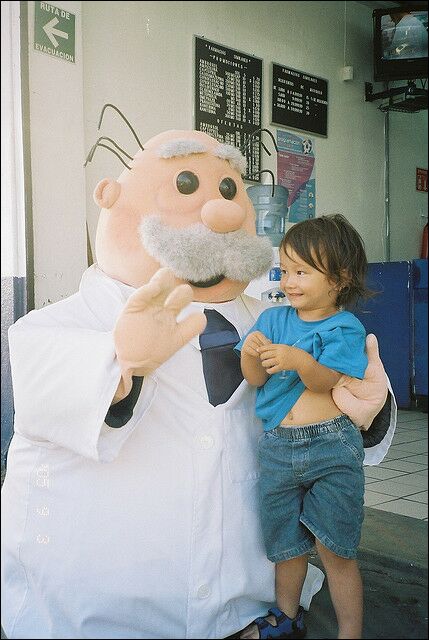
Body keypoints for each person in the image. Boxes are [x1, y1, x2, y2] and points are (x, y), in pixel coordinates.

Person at [1, 116, 394, 639]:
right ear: (112, 198)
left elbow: (329, 416)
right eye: (186, 185)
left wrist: (369, 413)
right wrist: (122, 366)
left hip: (253, 608)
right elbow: (51, 401)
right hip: (93, 618)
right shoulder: (56, 326)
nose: (220, 209)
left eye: (229, 190)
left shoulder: (273, 322)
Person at [235, 214, 381, 639]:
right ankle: (286, 616)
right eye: (284, 270)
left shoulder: (344, 326)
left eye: (302, 271)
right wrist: (252, 352)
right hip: (279, 446)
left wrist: (298, 360)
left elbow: (324, 380)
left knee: (335, 548)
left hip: (330, 447)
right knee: (286, 545)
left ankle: (349, 631)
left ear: (340, 278)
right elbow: (254, 378)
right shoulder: (273, 320)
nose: (290, 281)